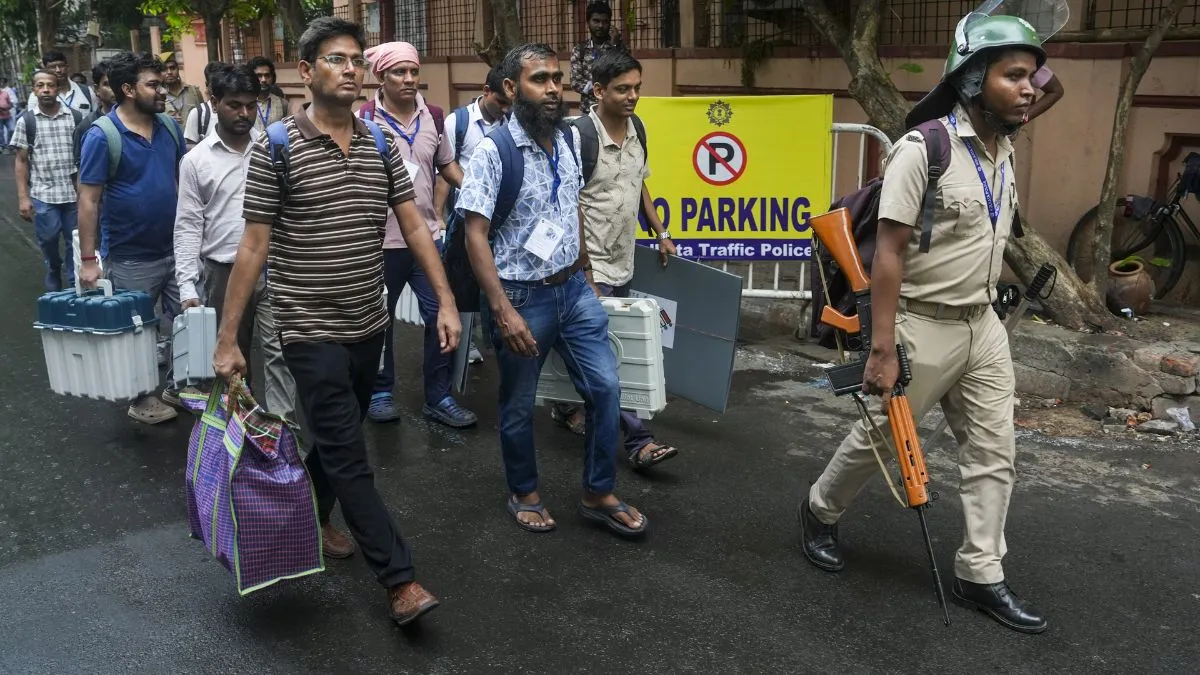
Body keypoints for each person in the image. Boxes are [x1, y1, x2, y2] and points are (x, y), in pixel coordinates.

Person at [797, 14, 1049, 635]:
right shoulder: (922, 149)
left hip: (983, 325)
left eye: (1032, 77)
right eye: (1014, 76)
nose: (1029, 89)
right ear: (973, 80)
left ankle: (980, 572)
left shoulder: (1005, 147)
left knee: (994, 451)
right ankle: (819, 510)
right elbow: (888, 252)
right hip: (921, 324)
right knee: (883, 438)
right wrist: (881, 347)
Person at [211, 17, 459, 626]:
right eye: (335, 59)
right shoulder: (277, 147)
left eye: (355, 60)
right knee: (350, 453)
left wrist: (446, 299)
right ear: (306, 71)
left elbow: (413, 223)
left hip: (368, 321)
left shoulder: (379, 143)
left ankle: (315, 516)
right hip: (308, 327)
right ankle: (399, 580)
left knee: (333, 435)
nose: (350, 69)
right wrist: (227, 338)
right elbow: (253, 245)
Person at [457, 43, 648, 537]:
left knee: (605, 388)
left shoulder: (565, 139)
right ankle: (524, 492)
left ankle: (597, 492)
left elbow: (571, 206)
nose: (552, 89)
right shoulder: (493, 151)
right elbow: (475, 233)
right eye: (539, 79)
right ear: (510, 87)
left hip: (575, 290)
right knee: (519, 403)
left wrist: (586, 271)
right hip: (522, 297)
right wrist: (502, 310)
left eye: (557, 79)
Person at [550, 50, 679, 471]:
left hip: (624, 261)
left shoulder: (638, 129)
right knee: (610, 358)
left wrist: (660, 233)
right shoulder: (577, 136)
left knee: (603, 350)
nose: (633, 96)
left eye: (637, 88)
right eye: (623, 89)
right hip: (589, 269)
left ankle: (564, 405)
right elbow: (568, 203)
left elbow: (639, 185)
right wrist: (585, 269)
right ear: (599, 90)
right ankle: (640, 441)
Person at [358, 41, 476, 428]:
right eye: (400, 72)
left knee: (441, 312)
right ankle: (380, 392)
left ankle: (439, 396)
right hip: (381, 242)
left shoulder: (434, 116)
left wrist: (480, 193)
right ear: (381, 77)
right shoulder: (363, 119)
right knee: (381, 319)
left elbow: (447, 165)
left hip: (426, 238)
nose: (409, 79)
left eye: (413, 71)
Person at [173, 64, 297, 421]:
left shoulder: (275, 149)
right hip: (223, 273)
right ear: (214, 102)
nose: (244, 113)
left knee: (280, 353)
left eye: (250, 104)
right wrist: (187, 285)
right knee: (231, 358)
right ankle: (240, 429)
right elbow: (188, 225)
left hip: (274, 269)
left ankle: (280, 431)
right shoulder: (195, 161)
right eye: (234, 105)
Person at [77, 51, 186, 425]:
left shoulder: (170, 127)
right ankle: (141, 399)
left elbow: (182, 182)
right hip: (130, 257)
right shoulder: (102, 136)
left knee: (188, 322)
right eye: (153, 85)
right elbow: (88, 200)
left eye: (162, 83)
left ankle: (178, 386)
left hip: (176, 248)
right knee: (137, 332)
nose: (163, 91)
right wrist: (88, 261)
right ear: (127, 89)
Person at [434, 64, 511, 365]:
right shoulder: (459, 122)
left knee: (494, 279)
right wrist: (439, 214)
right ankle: (464, 345)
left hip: (500, 221)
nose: (505, 109)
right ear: (486, 91)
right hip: (466, 217)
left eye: (509, 103)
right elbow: (445, 167)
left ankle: (495, 339)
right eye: (500, 102)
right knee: (464, 282)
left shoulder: (510, 122)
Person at [12, 69, 80, 292]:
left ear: (58, 89)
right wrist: (23, 197)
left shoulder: (74, 118)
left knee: (75, 240)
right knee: (48, 238)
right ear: (34, 90)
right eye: (40, 86)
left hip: (73, 193)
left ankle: (74, 281)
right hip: (43, 193)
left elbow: (83, 157)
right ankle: (53, 266)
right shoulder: (27, 121)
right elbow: (21, 160)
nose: (46, 90)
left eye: (50, 85)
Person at [569, 1, 625, 113]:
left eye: (605, 22)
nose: (600, 26)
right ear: (588, 22)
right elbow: (575, 83)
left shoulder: (619, 48)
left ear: (609, 24)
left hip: (614, 111)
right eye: (596, 21)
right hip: (588, 112)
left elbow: (622, 75)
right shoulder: (580, 50)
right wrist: (602, 88)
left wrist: (614, 46)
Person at [73, 62, 116, 163]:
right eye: (108, 84)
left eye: (117, 83)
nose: (115, 89)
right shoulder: (86, 126)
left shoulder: (138, 119)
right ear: (97, 89)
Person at [27, 52, 94, 114]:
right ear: (45, 69)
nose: (58, 70)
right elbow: (32, 118)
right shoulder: (37, 95)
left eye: (61, 66)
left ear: (67, 67)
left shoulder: (87, 91)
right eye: (53, 67)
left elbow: (95, 117)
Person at [184, 61, 231, 148]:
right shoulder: (198, 113)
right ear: (207, 85)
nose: (219, 88)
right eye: (215, 84)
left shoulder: (241, 110)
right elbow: (190, 147)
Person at [160, 52, 203, 127]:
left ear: (178, 69)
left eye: (172, 68)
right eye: (164, 69)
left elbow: (204, 117)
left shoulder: (194, 92)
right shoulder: (158, 96)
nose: (169, 72)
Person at [247, 56, 289, 131]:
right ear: (251, 77)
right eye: (259, 76)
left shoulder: (283, 104)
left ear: (272, 78)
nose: (263, 80)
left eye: (267, 75)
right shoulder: (244, 104)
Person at [0, 78, 14, 152]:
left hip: (7, 115)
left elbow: (11, 104)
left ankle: (9, 144)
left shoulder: (5, 93)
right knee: (1, 132)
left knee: (11, 129)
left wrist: (8, 107)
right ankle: (2, 146)